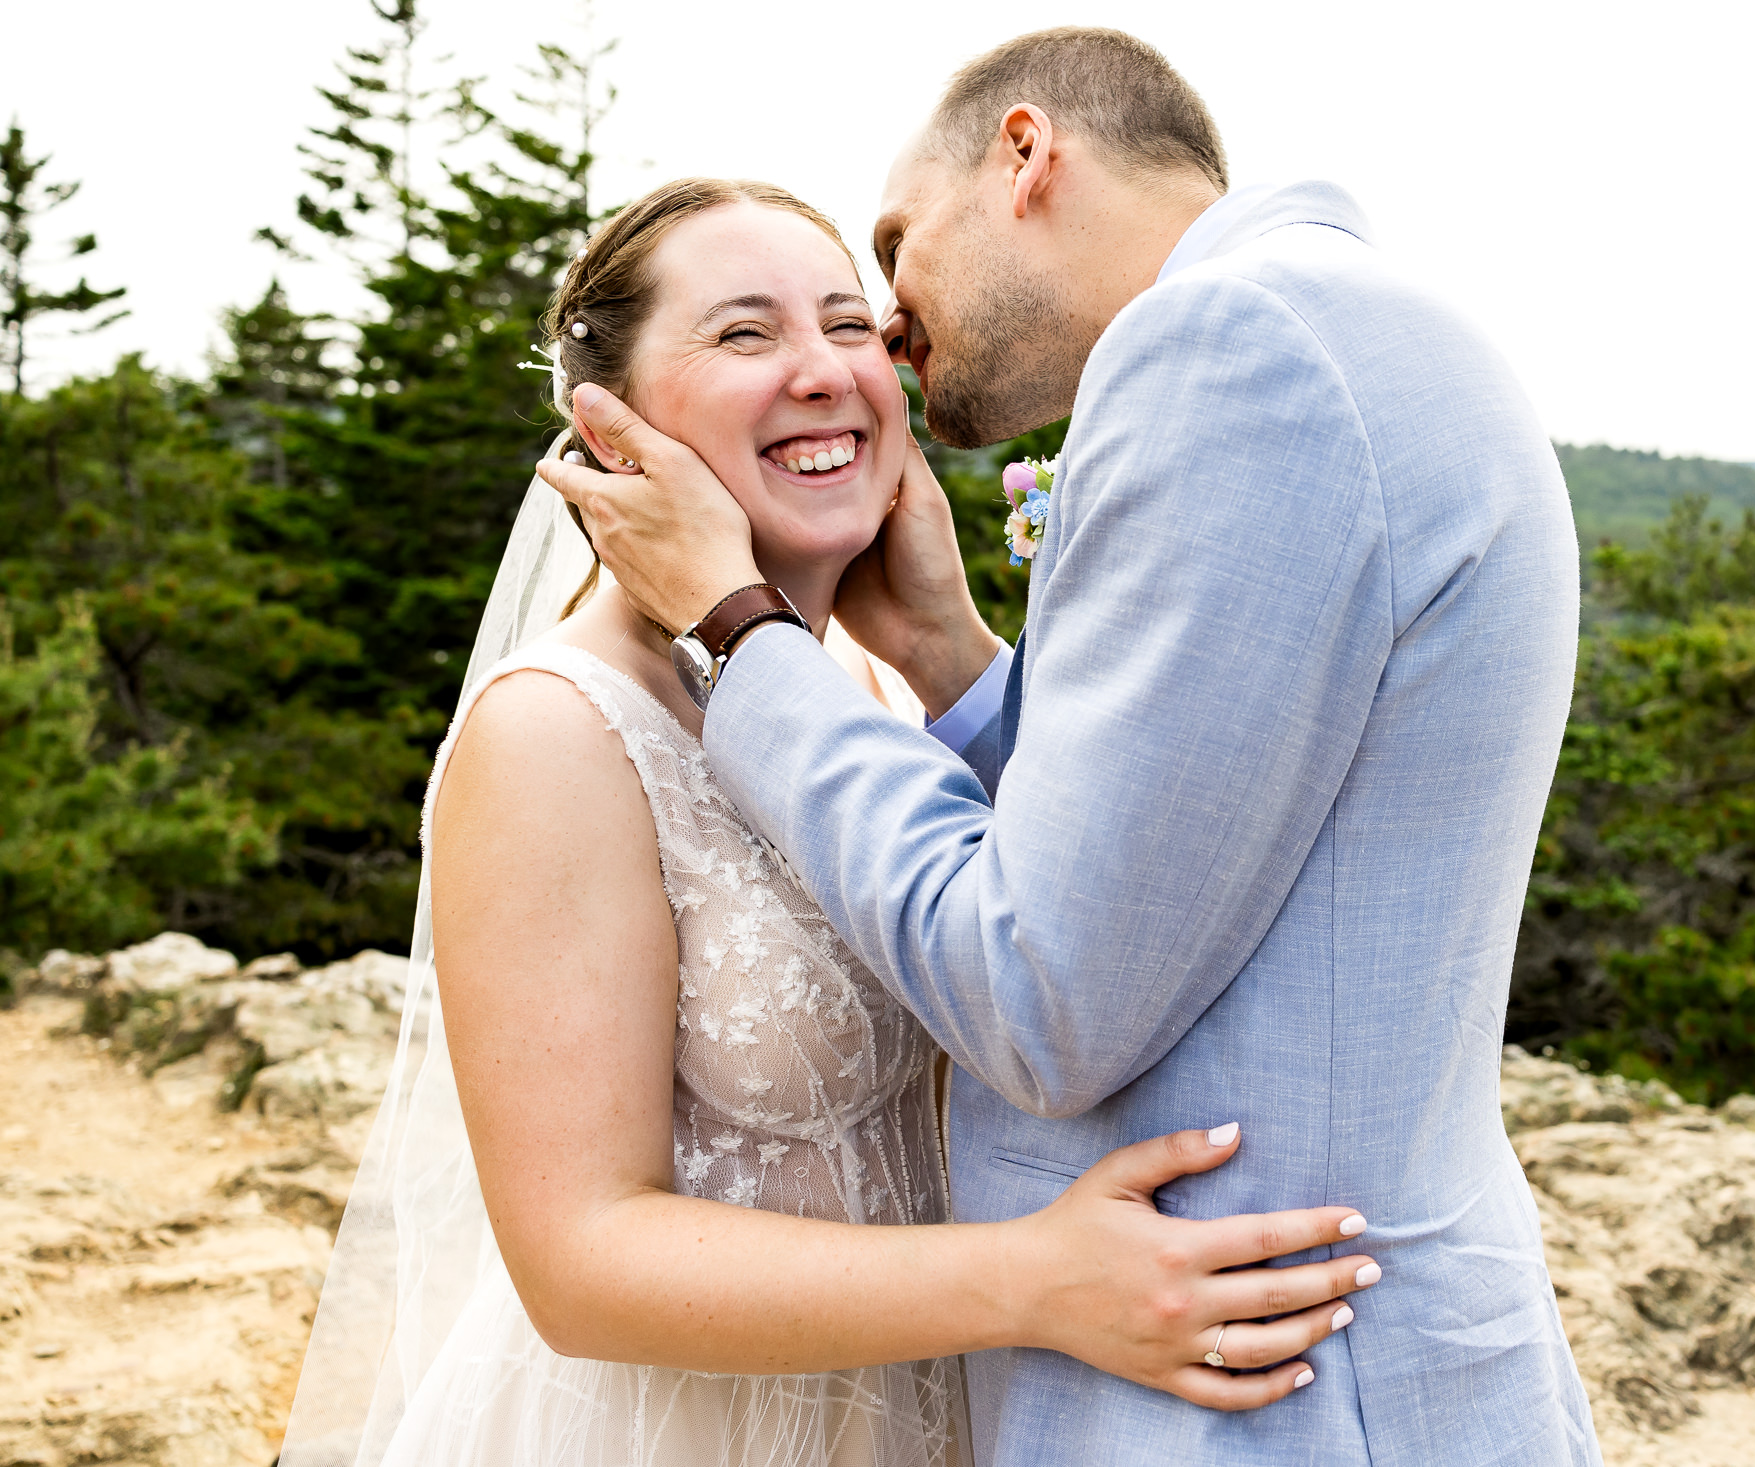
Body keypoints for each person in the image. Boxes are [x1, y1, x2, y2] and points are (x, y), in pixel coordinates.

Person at [543, 26, 1603, 1467]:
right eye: (747, 330)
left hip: (1265, 1398)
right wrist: (949, 664)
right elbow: (1197, 829)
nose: (888, 336)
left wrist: (739, 635)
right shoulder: (1358, 325)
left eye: (887, 261)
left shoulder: (1228, 347)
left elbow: (1042, 992)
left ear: (1027, 156)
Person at [277, 177, 1379, 1467]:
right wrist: (1038, 1282)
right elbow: (577, 1264)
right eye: (746, 335)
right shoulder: (558, 735)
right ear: (609, 422)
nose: (824, 373)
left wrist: (940, 641)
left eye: (852, 327)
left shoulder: (852, 695)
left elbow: (1078, 934)